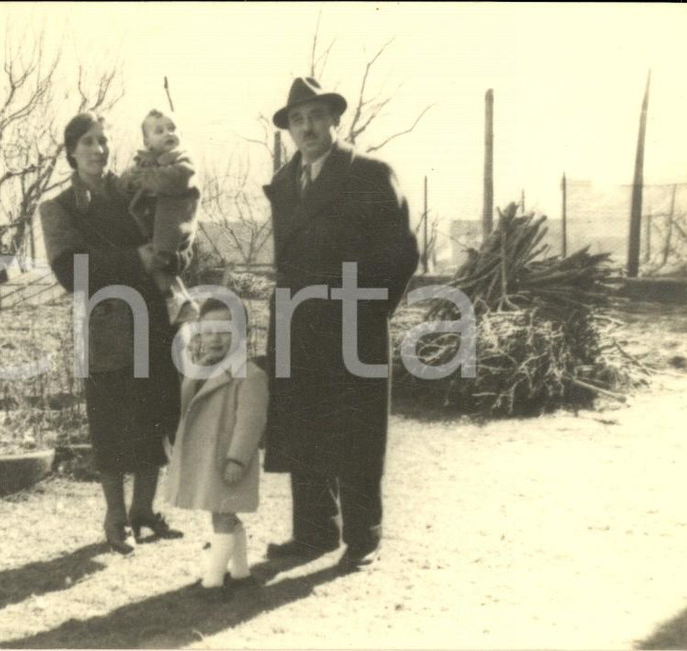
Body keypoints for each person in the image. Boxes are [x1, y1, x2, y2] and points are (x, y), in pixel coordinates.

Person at [262, 77, 419, 574]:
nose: (306, 127)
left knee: (357, 431)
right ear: (289, 129)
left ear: (334, 119)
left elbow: (402, 254)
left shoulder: (370, 174)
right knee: (303, 426)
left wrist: (369, 311)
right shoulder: (285, 184)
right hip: (297, 323)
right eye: (296, 120)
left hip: (354, 322)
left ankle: (362, 534)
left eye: (314, 116)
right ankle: (313, 532)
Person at [40, 112, 191, 554]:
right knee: (109, 422)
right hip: (106, 325)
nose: (98, 149)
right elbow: (71, 273)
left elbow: (174, 234)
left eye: (103, 140)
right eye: (87, 141)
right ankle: (115, 518)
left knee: (157, 414)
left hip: (153, 317)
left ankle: (143, 512)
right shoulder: (60, 208)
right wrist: (135, 261)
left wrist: (172, 258)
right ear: (71, 151)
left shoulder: (137, 190)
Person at [164, 297, 268, 601]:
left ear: (242, 334)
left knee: (223, 516)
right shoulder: (200, 370)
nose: (215, 338)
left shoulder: (250, 375)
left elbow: (250, 421)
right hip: (205, 459)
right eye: (208, 331)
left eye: (225, 331)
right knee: (222, 514)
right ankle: (241, 573)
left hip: (226, 459)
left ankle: (213, 582)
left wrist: (237, 458)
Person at [118, 109, 199, 327]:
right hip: (153, 226)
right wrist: (132, 180)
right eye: (159, 130)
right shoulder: (143, 162)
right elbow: (125, 180)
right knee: (156, 265)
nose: (168, 133)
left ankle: (177, 303)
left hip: (175, 223)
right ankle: (182, 302)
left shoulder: (182, 158)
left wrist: (144, 179)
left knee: (158, 259)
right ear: (146, 141)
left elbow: (181, 176)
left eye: (172, 128)